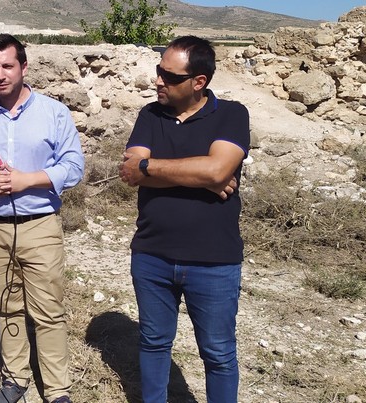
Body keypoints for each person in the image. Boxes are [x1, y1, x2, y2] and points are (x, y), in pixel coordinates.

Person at [0, 34, 84, 403]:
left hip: (39, 224)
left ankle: (57, 390)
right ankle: (15, 380)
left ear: (24, 67)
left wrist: (27, 179)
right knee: (6, 306)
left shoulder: (53, 113)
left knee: (48, 311)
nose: (0, 75)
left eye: (8, 65)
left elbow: (73, 167)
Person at [118, 35, 250, 403]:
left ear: (199, 82)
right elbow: (130, 172)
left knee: (219, 353)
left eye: (170, 77)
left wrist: (157, 169)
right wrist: (202, 175)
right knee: (154, 343)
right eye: (159, 71)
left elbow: (216, 170)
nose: (159, 81)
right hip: (152, 255)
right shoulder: (150, 115)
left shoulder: (231, 114)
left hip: (214, 261)